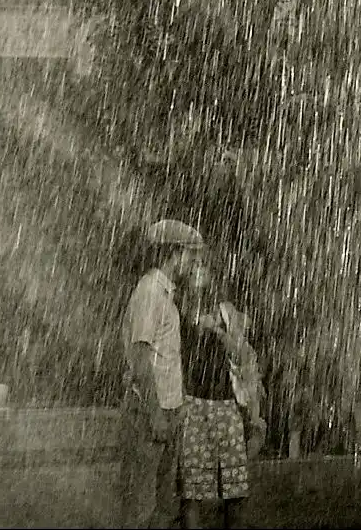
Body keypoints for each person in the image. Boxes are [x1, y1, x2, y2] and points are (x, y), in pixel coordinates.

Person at [120, 219, 207, 528]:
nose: (194, 262)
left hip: (167, 411)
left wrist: (177, 405)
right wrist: (155, 412)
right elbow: (141, 358)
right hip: (149, 412)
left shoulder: (166, 295)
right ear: (174, 253)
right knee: (141, 507)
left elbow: (166, 358)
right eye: (190, 254)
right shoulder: (150, 293)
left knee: (162, 507)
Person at [177, 270, 266, 530]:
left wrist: (216, 330)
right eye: (193, 272)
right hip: (192, 404)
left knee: (235, 488)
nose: (198, 276)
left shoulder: (226, 312)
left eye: (203, 271)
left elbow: (241, 353)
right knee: (192, 490)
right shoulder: (178, 311)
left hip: (226, 405)